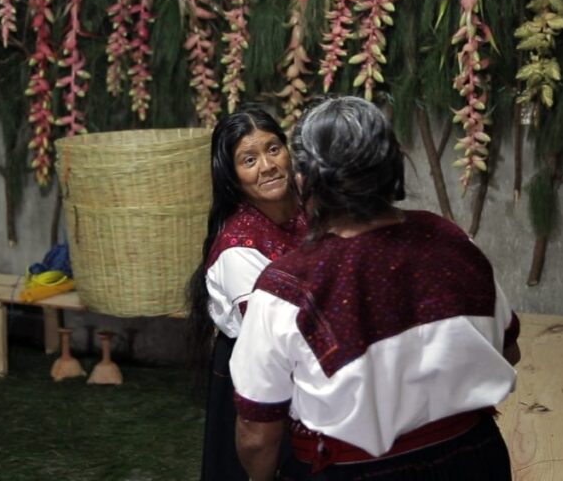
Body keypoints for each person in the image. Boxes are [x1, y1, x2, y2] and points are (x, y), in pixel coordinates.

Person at [230, 96, 521, 480]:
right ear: (392, 166)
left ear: (304, 178)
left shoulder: (287, 287)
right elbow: (509, 349)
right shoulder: (453, 242)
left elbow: (257, 435)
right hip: (475, 459)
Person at [186, 108, 308, 481]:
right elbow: (270, 340)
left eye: (274, 149)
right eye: (249, 160)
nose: (268, 166)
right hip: (261, 369)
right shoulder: (237, 248)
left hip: (305, 361)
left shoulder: (313, 206)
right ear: (232, 176)